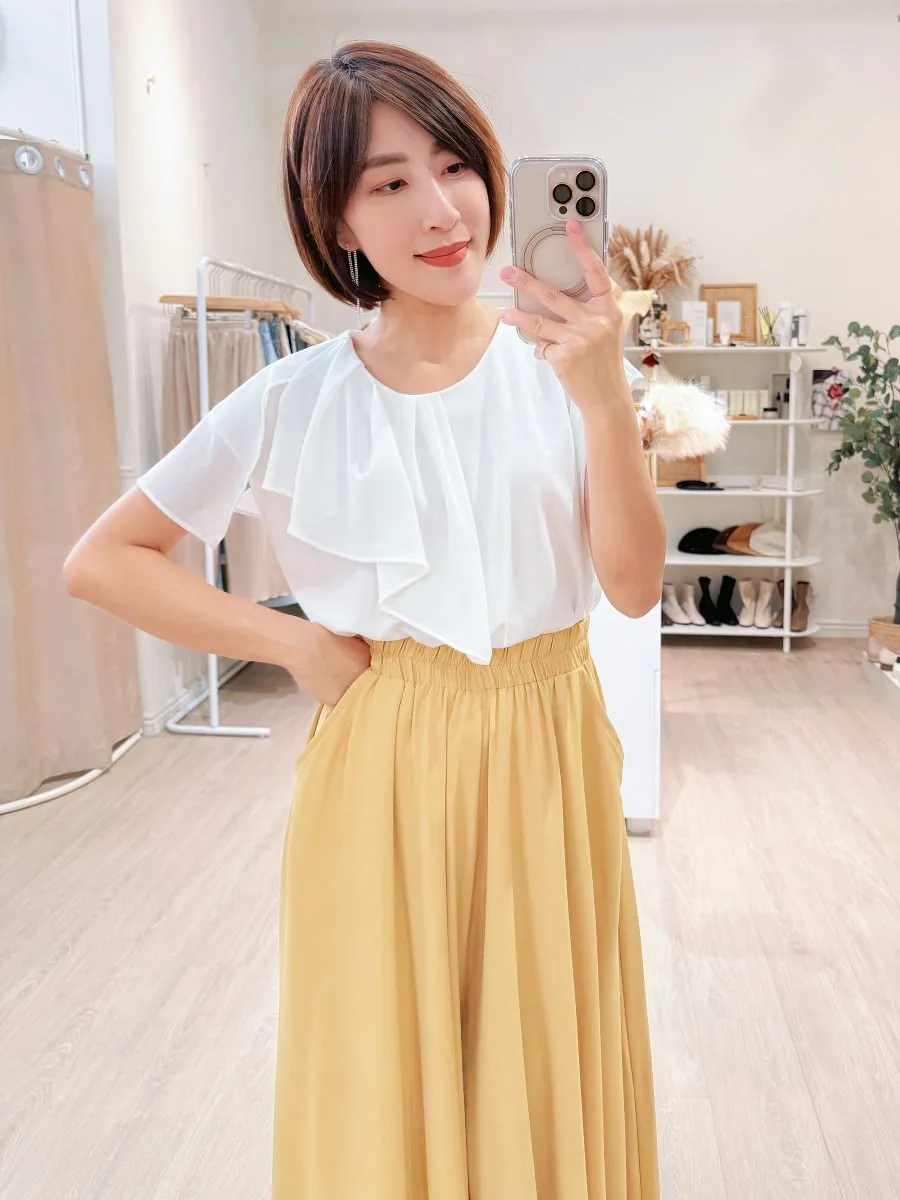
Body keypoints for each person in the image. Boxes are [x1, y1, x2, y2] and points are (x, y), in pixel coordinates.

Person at [64, 40, 665, 1200]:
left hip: (549, 739)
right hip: (384, 757)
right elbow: (103, 562)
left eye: (455, 166)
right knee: (387, 1066)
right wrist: (290, 639)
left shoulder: (564, 371)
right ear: (335, 217)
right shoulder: (293, 396)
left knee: (547, 1059)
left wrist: (603, 401)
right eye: (389, 182)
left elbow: (634, 588)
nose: (440, 209)